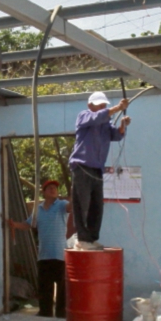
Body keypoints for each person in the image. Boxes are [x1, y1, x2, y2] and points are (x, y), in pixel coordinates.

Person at [69, 91, 130, 250]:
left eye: (104, 105)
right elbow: (97, 117)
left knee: (97, 206)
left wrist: (123, 126)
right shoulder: (84, 116)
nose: (103, 108)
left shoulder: (106, 123)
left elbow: (116, 136)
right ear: (90, 106)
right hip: (82, 167)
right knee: (81, 204)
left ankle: (91, 238)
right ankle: (82, 239)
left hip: (96, 169)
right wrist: (117, 108)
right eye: (100, 105)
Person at [8, 178, 73, 317]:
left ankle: (61, 313)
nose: (53, 189)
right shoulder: (38, 210)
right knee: (45, 287)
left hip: (60, 253)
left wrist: (76, 193)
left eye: (55, 188)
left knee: (62, 287)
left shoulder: (62, 205)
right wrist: (14, 225)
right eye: (49, 188)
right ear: (44, 192)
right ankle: (45, 312)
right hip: (44, 254)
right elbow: (28, 224)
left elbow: (71, 207)